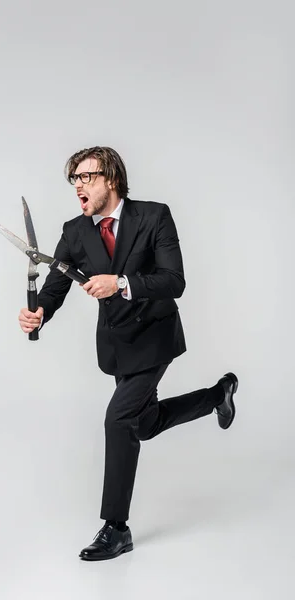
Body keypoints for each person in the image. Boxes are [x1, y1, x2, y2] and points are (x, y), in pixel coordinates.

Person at [18, 146, 238, 562]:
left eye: (85, 177)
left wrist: (120, 283)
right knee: (144, 423)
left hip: (155, 336)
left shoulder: (154, 216)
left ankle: (116, 529)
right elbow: (54, 284)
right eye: (74, 180)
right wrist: (40, 313)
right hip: (118, 345)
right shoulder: (74, 230)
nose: (77, 186)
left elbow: (173, 281)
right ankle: (217, 395)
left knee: (118, 421)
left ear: (111, 179)